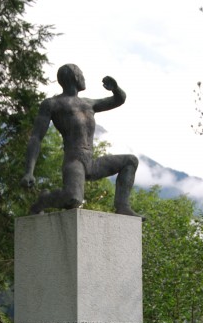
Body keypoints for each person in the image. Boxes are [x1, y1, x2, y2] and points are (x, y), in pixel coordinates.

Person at [21, 63, 142, 217]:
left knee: (130, 161)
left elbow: (119, 100)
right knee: (73, 199)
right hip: (74, 161)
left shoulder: (88, 103)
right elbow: (36, 137)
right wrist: (29, 172)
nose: (84, 78)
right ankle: (44, 200)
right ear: (75, 77)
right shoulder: (53, 104)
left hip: (91, 162)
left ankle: (122, 205)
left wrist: (115, 88)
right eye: (82, 74)